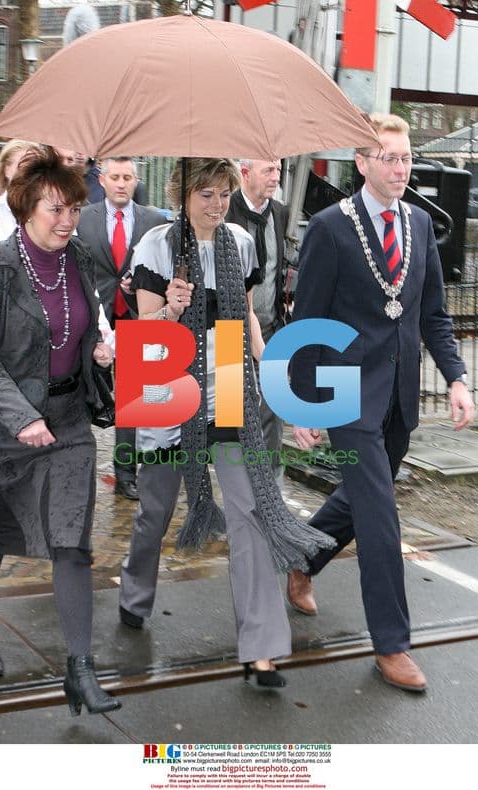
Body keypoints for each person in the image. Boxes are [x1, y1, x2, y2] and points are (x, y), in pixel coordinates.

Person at [118, 157, 335, 686]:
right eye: (206, 194)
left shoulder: (239, 241)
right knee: (156, 509)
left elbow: (249, 319)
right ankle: (135, 592)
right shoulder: (155, 247)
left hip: (231, 386)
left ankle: (260, 649)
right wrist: (169, 308)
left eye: (222, 194)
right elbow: (143, 336)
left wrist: (271, 369)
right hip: (165, 386)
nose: (216, 205)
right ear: (183, 195)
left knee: (251, 512)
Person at [289, 113, 475, 692]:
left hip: (398, 396)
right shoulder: (330, 228)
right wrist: (303, 402)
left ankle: (300, 559)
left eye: (406, 158)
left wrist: (457, 378)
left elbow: (434, 315)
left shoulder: (421, 222)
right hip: (346, 393)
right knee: (379, 516)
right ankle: (392, 645)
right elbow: (307, 322)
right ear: (362, 163)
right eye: (389, 158)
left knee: (359, 499)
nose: (401, 168)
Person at [0, 147, 121, 716]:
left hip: (67, 424)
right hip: (0, 430)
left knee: (73, 542)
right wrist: (23, 418)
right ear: (25, 208)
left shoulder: (82, 259)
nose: (67, 220)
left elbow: (87, 324)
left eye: (73, 208)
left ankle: (80, 668)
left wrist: (101, 351)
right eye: (54, 209)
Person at [77, 156, 165, 500]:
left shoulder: (154, 220)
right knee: (82, 394)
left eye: (127, 177)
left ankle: (126, 474)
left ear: (136, 180)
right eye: (115, 176)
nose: (121, 183)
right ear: (101, 179)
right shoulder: (82, 219)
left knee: (131, 400)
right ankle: (74, 466)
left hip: (135, 317)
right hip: (92, 320)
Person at [226, 159, 288, 488]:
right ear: (245, 174)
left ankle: (271, 493)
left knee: (273, 413)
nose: (275, 176)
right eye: (268, 170)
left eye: (278, 169)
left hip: (271, 327)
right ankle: (239, 492)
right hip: (229, 333)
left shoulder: (279, 212)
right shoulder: (224, 210)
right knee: (234, 415)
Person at [0, 140, 41, 249]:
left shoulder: (58, 212)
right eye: (22, 165)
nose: (29, 173)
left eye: (35, 168)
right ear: (6, 169)